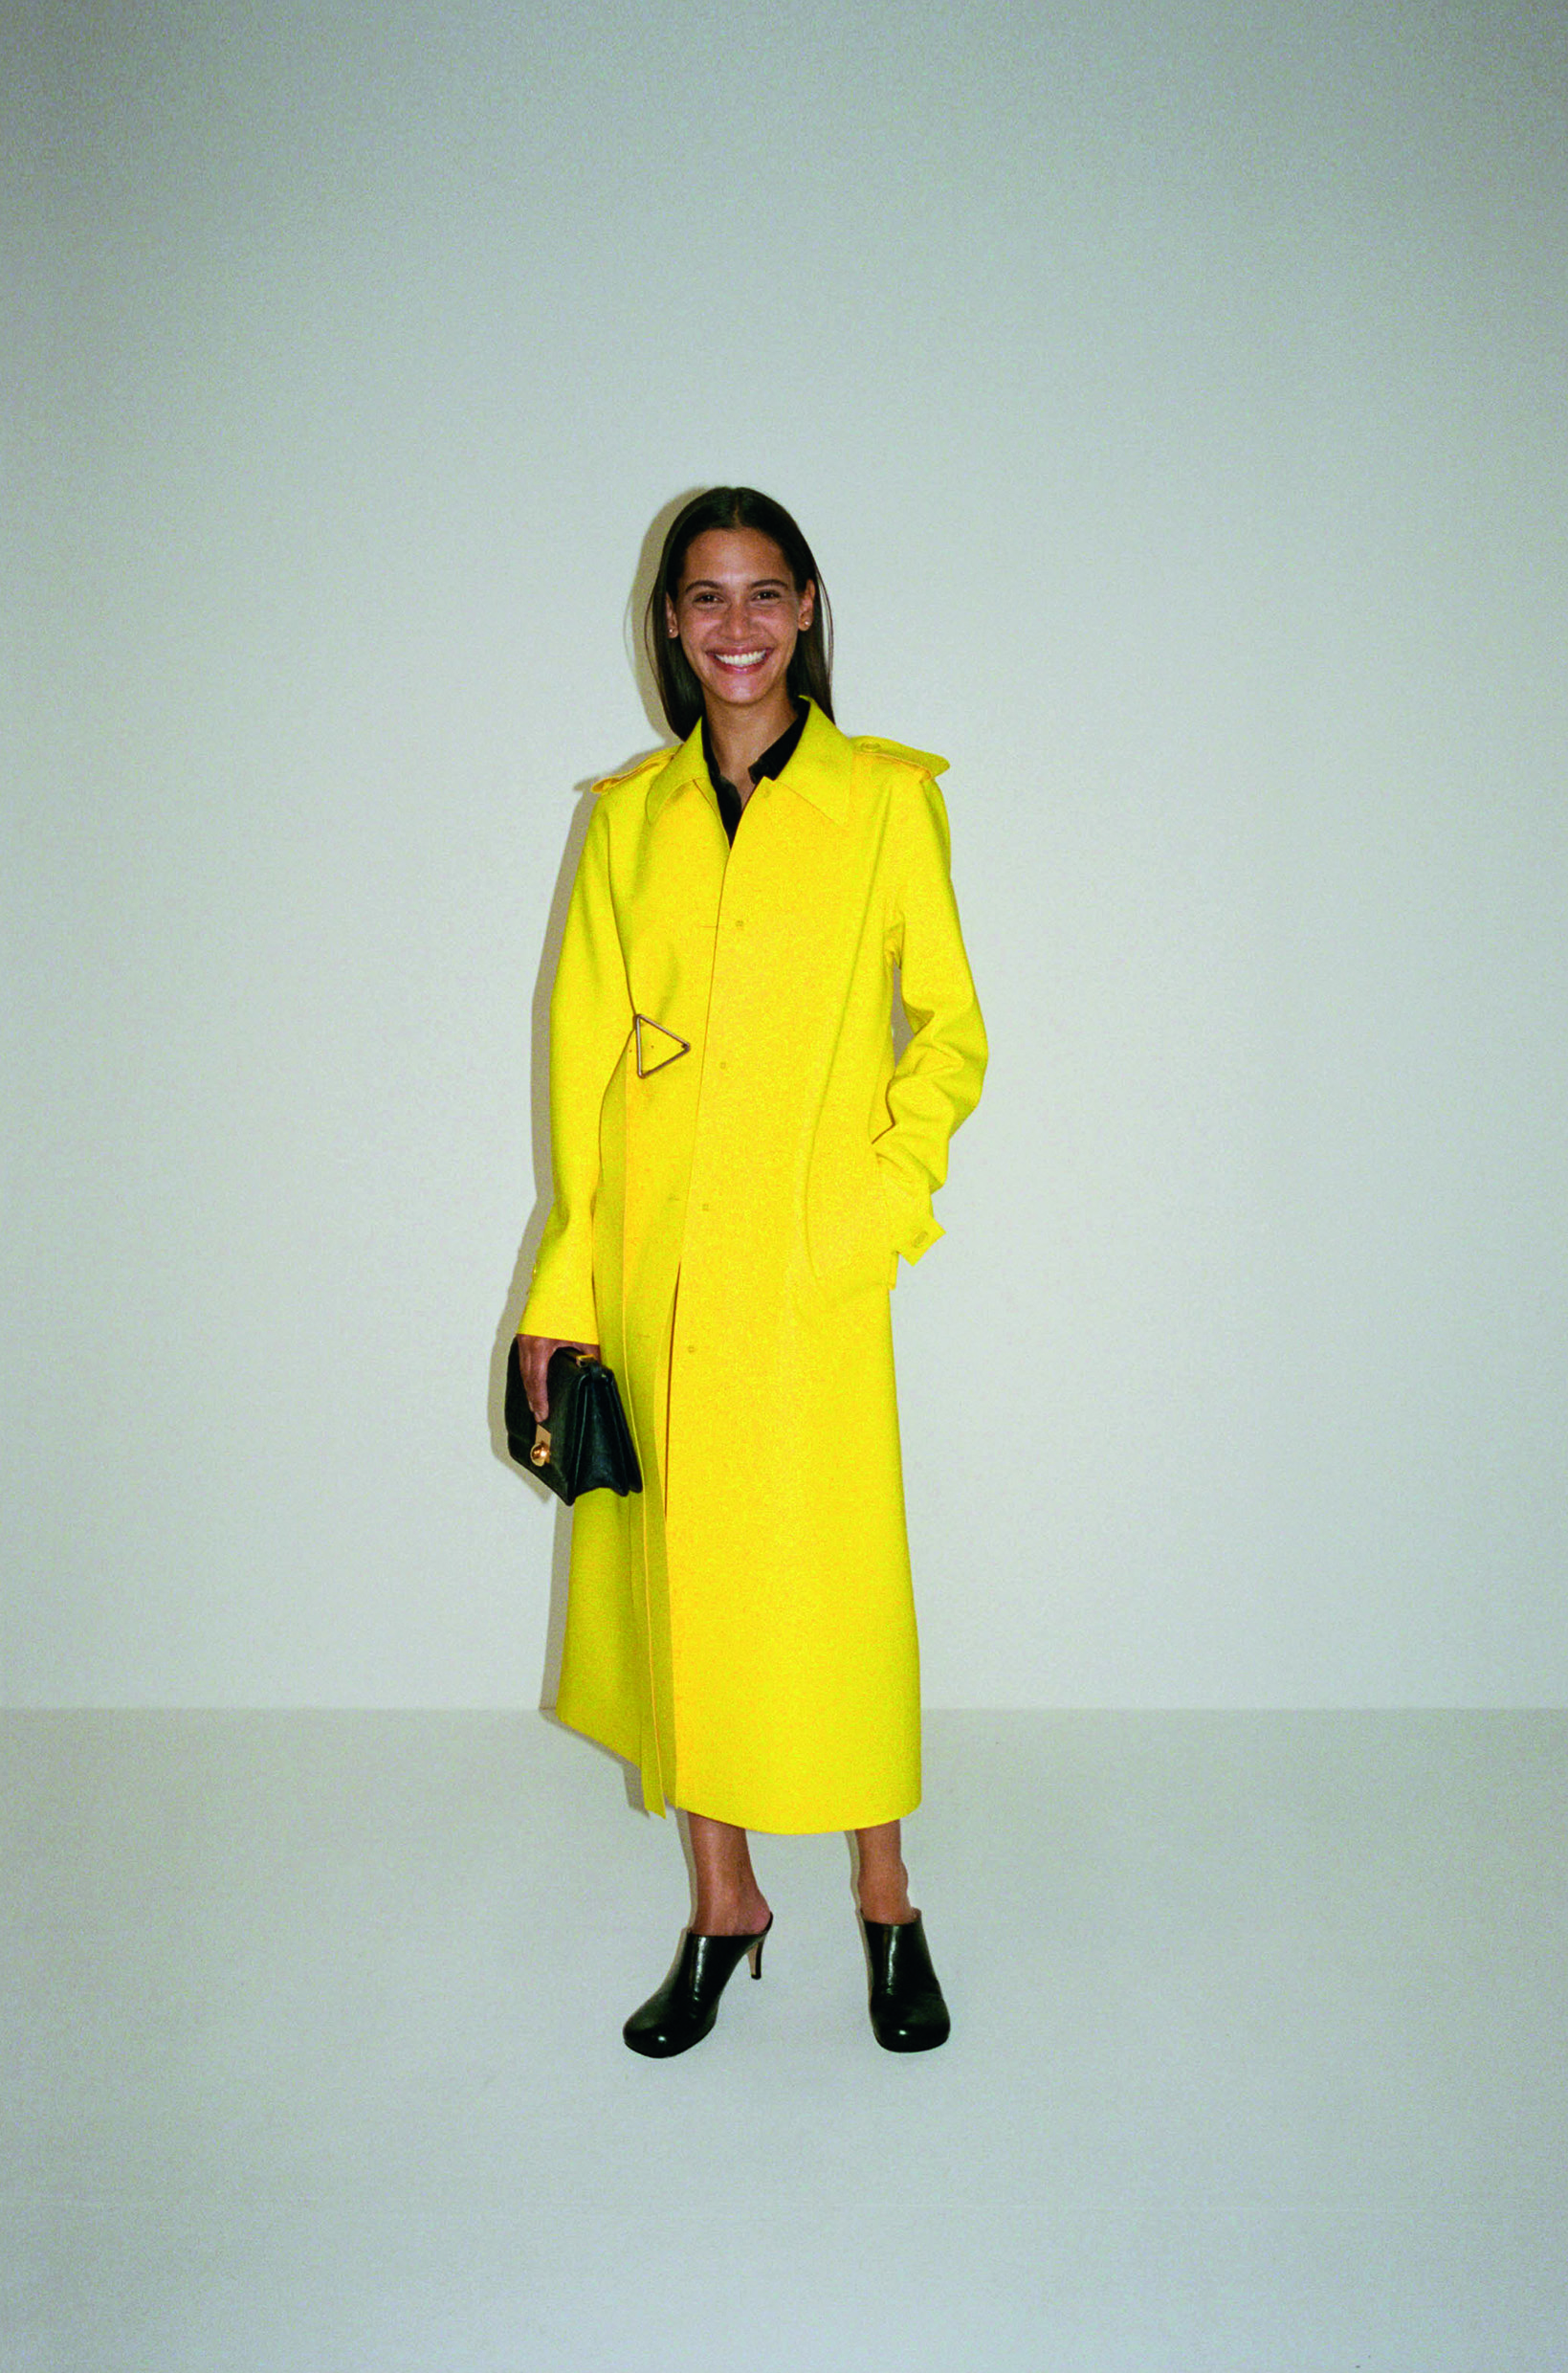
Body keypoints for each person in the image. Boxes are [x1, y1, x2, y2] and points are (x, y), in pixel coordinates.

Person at [516, 487, 986, 2055]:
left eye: (763, 594)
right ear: (670, 621)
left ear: (807, 609)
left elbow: (953, 1037)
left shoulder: (886, 801)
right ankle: (725, 1907)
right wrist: (566, 1293)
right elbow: (585, 1074)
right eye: (705, 597)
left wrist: (876, 1212)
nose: (737, 626)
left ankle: (887, 1899)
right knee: (684, 1596)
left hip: (807, 1273)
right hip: (653, 1271)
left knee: (837, 1594)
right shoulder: (627, 819)